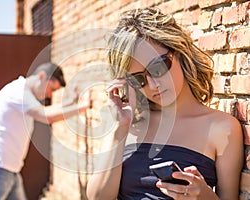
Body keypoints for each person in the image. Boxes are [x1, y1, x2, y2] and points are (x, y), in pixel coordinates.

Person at [86, 7, 243, 200]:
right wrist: (119, 130)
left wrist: (204, 196)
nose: (153, 85)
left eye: (158, 67)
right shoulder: (125, 124)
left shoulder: (223, 128)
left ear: (179, 51)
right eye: (138, 79)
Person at [0, 62, 89, 200]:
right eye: (51, 89)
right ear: (42, 76)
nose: (50, 95)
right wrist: (82, 107)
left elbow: (47, 111)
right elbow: (47, 116)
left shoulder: (23, 93)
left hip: (8, 168)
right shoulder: (18, 92)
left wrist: (71, 102)